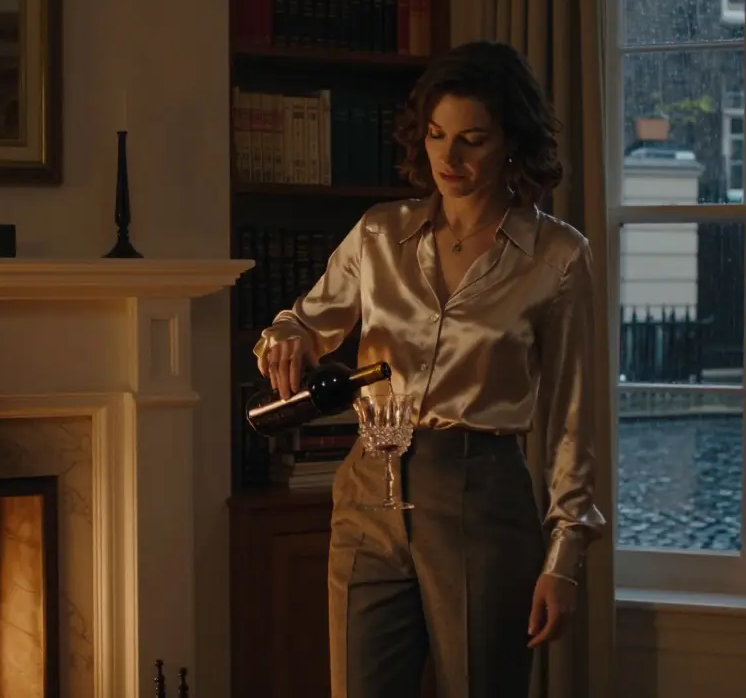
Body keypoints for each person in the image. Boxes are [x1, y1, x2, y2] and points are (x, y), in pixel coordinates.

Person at [253, 40, 606, 698]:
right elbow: (303, 320)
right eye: (439, 135)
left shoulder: (557, 257)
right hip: (365, 494)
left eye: (472, 139)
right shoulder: (380, 234)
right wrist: (285, 338)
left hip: (481, 497)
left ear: (511, 144)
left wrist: (564, 558)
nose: (450, 158)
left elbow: (573, 420)